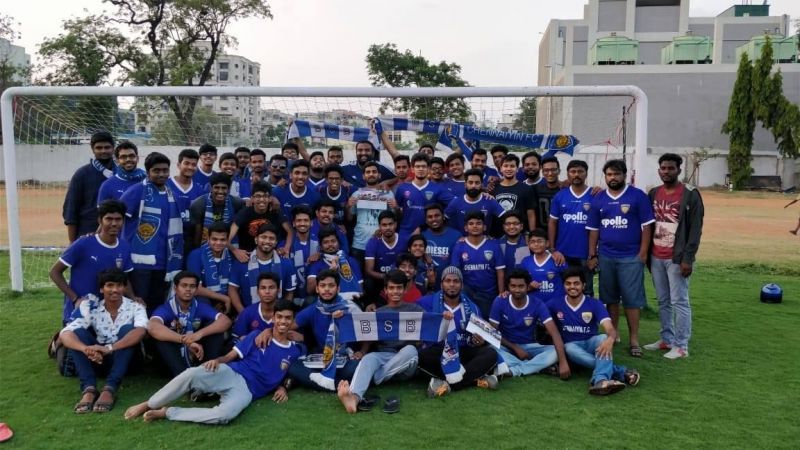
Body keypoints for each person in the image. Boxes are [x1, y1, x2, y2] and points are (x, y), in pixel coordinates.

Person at [124, 300, 303, 425]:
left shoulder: (296, 349)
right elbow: (230, 357)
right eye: (280, 317)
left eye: (288, 318)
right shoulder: (257, 335)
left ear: (293, 320)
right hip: (233, 372)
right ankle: (149, 403)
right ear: (273, 318)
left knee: (223, 416)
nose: (283, 321)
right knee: (191, 373)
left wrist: (283, 387)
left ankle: (167, 412)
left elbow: (292, 373)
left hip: (248, 391)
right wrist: (215, 361)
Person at [586, 159, 655, 358]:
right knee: (610, 299)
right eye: (609, 174)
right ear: (605, 176)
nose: (613, 178)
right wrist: (592, 254)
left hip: (631, 256)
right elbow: (593, 230)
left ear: (625, 175)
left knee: (632, 300)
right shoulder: (599, 198)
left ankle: (634, 340)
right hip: (606, 256)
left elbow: (647, 226)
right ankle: (612, 334)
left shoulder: (637, 196)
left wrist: (643, 253)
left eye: (617, 174)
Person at [61, 269, 148, 414]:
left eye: (119, 285)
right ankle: (89, 389)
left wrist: (110, 348)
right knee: (77, 333)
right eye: (109, 285)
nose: (115, 290)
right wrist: (85, 349)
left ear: (124, 288)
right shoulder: (91, 306)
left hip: (127, 361)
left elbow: (141, 332)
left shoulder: (136, 307)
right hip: (98, 359)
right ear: (101, 289)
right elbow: (65, 334)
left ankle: (110, 388)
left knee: (128, 330)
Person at [337, 270, 423, 414]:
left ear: (405, 289)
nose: (395, 291)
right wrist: (362, 351)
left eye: (399, 288)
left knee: (411, 350)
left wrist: (445, 318)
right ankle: (354, 397)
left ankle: (377, 376)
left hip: (405, 362)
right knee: (369, 358)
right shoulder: (378, 313)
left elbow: (429, 329)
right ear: (385, 290)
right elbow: (368, 336)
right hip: (384, 356)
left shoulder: (416, 310)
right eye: (391, 288)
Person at [645, 153, 704, 359]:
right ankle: (666, 339)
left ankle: (681, 346)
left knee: (679, 300)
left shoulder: (690, 194)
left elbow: (695, 229)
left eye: (670, 168)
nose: (666, 172)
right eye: (663, 168)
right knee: (663, 300)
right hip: (656, 255)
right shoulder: (653, 193)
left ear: (679, 170)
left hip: (677, 258)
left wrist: (688, 258)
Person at [547, 268, 640, 395]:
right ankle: (619, 372)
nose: (572, 287)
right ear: (564, 286)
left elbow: (610, 329)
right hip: (571, 348)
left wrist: (610, 339)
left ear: (583, 285)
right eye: (568, 284)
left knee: (603, 338)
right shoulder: (555, 303)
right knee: (569, 347)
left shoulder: (594, 304)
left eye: (576, 283)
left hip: (590, 343)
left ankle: (600, 380)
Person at [50, 200, 136, 325]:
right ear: (100, 221)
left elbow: (124, 279)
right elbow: (54, 272)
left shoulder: (124, 247)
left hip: (107, 316)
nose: (114, 223)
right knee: (77, 343)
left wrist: (133, 298)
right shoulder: (83, 243)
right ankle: (58, 342)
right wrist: (75, 299)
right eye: (109, 219)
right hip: (79, 313)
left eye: (118, 219)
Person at [418, 267, 499, 397]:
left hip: (463, 351)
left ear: (461, 285)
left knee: (490, 353)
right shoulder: (426, 302)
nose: (451, 284)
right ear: (441, 284)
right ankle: (473, 380)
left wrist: (479, 341)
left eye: (456, 281)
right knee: (420, 356)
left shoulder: (472, 307)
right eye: (448, 280)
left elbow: (480, 338)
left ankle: (449, 384)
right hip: (440, 351)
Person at [280, 269, 365, 391]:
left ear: (338, 288)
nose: (326, 289)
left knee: (358, 366)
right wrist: (268, 331)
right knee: (294, 367)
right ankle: (337, 386)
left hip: (346, 358)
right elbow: (286, 326)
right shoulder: (312, 309)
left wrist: (362, 351)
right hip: (322, 358)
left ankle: (323, 383)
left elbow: (369, 332)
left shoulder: (350, 308)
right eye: (322, 285)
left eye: (331, 286)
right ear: (317, 289)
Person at [120, 152, 184, 313]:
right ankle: (136, 337)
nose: (161, 174)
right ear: (148, 172)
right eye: (156, 170)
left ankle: (153, 337)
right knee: (138, 305)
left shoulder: (172, 196)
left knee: (156, 305)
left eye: (165, 170)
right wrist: (97, 237)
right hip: (139, 263)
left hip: (164, 263)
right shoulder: (137, 192)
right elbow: (113, 216)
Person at [148, 271, 232, 378]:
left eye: (192, 286)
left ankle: (208, 370)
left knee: (215, 328)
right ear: (175, 288)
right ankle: (183, 376)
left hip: (198, 352)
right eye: (184, 285)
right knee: (161, 338)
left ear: (196, 290)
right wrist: (185, 341)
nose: (188, 289)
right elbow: (152, 327)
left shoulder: (200, 306)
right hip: (174, 357)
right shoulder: (166, 308)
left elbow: (225, 321)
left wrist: (199, 334)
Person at [489, 269, 569, 378]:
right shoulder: (499, 301)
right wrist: (515, 348)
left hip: (529, 347)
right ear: (508, 287)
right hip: (507, 346)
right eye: (513, 286)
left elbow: (554, 333)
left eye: (521, 286)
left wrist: (563, 362)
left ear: (527, 287)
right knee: (490, 348)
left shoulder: (537, 304)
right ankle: (538, 367)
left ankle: (514, 370)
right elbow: (492, 332)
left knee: (556, 352)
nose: (517, 290)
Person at [548, 159, 596, 297]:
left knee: (586, 291)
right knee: (564, 291)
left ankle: (587, 318)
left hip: (585, 254)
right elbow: (553, 223)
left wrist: (593, 254)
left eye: (580, 171)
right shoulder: (560, 195)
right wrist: (552, 249)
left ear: (586, 174)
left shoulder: (595, 195)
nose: (576, 175)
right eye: (573, 172)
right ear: (567, 174)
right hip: (563, 253)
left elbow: (597, 228)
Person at [229, 224, 296, 313]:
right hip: (248, 314)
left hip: (277, 317)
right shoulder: (241, 262)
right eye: (263, 237)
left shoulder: (287, 264)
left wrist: (282, 314)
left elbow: (289, 293)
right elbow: (232, 289)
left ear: (276, 242)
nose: (267, 241)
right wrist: (243, 314)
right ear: (256, 239)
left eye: (271, 238)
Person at [449, 211, 506, 317]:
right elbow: (455, 273)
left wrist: (501, 293)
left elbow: (500, 271)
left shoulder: (494, 245)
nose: (475, 226)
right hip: (467, 294)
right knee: (468, 324)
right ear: (466, 228)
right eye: (471, 224)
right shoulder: (459, 246)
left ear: (484, 227)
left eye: (478, 223)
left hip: (489, 295)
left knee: (486, 326)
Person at [63, 131, 116, 242]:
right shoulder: (82, 174)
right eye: (99, 148)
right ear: (92, 149)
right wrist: (73, 244)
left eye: (107, 147)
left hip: (117, 236)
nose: (103, 151)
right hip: (87, 234)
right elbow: (71, 211)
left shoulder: (121, 174)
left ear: (113, 148)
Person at [347, 162, 398, 260]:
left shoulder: (388, 194)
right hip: (359, 244)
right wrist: (348, 206)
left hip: (380, 242)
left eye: (374, 172)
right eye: (368, 172)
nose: (371, 174)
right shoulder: (356, 194)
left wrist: (395, 207)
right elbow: (349, 218)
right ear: (363, 176)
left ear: (379, 175)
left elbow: (394, 218)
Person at [395, 153, 455, 236]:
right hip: (405, 232)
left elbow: (456, 202)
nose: (420, 169)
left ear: (428, 169)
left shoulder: (437, 189)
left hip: (428, 233)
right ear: (412, 169)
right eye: (417, 166)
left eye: (423, 166)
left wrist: (444, 216)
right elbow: (397, 210)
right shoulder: (402, 188)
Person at [229, 181, 291, 259]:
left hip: (270, 255)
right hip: (248, 256)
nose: (262, 199)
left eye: (265, 196)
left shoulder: (275, 212)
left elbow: (290, 231)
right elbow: (228, 238)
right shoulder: (244, 213)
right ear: (252, 199)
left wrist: (286, 248)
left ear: (270, 198)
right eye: (258, 196)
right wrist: (235, 251)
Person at [365, 211, 408, 310]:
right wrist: (386, 277)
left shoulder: (404, 240)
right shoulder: (372, 242)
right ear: (379, 226)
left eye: (390, 224)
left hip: (399, 280)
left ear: (395, 224)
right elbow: (369, 270)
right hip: (380, 280)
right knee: (368, 282)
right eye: (384, 225)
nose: (388, 227)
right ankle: (372, 306)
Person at [186, 222, 234, 311]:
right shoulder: (195, 255)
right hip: (202, 298)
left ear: (227, 240)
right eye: (214, 239)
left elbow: (234, 287)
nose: (218, 243)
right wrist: (223, 298)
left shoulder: (232, 256)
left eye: (222, 240)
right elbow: (196, 288)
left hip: (227, 298)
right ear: (208, 238)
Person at [189, 173, 245, 248]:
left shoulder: (237, 203)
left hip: (230, 245)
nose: (220, 191)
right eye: (217, 187)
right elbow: (197, 235)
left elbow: (240, 231)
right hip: (206, 245)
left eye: (224, 188)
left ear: (229, 189)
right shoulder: (198, 205)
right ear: (211, 188)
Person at [307, 228, 364, 302]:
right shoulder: (316, 263)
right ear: (320, 246)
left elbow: (361, 288)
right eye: (326, 242)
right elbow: (310, 290)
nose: (330, 244)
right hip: (327, 301)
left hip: (352, 301)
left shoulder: (351, 261)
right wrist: (329, 272)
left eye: (333, 241)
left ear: (338, 243)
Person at [445, 168, 506, 235]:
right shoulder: (456, 202)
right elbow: (442, 221)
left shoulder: (490, 200)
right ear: (465, 184)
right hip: (463, 243)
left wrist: (494, 236)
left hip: (485, 242)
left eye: (477, 183)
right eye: (470, 182)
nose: (473, 186)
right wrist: (456, 236)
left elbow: (507, 219)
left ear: (481, 185)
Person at [489, 153, 538, 233]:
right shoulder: (493, 188)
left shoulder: (526, 189)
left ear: (517, 169)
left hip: (519, 234)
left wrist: (532, 234)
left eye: (512, 166)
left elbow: (531, 215)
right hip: (498, 234)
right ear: (501, 168)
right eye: (505, 166)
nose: (509, 169)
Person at [167, 149, 204, 252]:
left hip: (189, 238)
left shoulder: (200, 190)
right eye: (186, 163)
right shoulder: (166, 185)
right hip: (168, 236)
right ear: (179, 165)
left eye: (193, 164)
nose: (190, 167)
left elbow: (199, 222)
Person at [519, 229, 567, 304]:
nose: (536, 244)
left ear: (547, 243)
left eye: (539, 241)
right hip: (534, 305)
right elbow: (520, 284)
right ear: (528, 244)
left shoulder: (557, 259)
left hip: (556, 305)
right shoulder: (525, 261)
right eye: (532, 242)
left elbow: (568, 280)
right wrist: (529, 287)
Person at [280, 206, 318, 301]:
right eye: (299, 220)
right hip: (291, 294)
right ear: (293, 223)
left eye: (306, 220)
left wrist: (320, 254)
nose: (302, 224)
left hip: (313, 295)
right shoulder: (284, 245)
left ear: (311, 223)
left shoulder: (320, 242)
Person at [421, 203, 462, 289]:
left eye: (437, 215)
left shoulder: (456, 236)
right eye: (430, 217)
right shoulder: (422, 236)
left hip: (449, 286)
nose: (434, 219)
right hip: (426, 286)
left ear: (443, 216)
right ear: (426, 220)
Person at [232, 272, 281, 340]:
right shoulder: (247, 313)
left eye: (271, 287)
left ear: (278, 290)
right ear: (257, 291)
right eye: (263, 288)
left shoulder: (286, 312)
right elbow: (237, 339)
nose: (267, 291)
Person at [534, 156, 563, 233]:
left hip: (562, 234)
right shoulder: (535, 189)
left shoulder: (566, 190)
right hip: (541, 235)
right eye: (546, 170)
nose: (550, 173)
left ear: (559, 171)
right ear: (542, 172)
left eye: (553, 170)